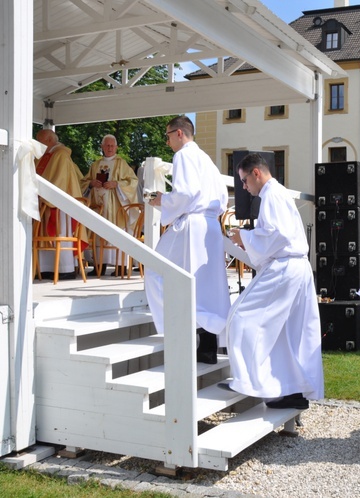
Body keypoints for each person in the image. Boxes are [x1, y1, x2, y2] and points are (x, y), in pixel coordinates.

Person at [222, 153, 323, 409]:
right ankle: (291, 390)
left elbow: (275, 235)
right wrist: (247, 238)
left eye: (244, 181)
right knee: (288, 333)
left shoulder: (272, 195)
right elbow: (276, 235)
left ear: (256, 173)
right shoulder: (276, 194)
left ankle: (249, 380)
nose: (244, 187)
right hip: (295, 266)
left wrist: (243, 237)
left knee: (241, 317)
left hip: (286, 267)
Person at [145, 116, 230, 364]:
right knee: (207, 287)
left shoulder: (183, 155)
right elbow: (223, 197)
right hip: (212, 226)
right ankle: (207, 346)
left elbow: (186, 193)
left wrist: (163, 200)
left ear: (180, 133)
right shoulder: (207, 160)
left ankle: (177, 330)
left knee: (155, 270)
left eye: (168, 135)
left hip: (192, 225)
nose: (168, 141)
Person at [82, 135, 139, 276]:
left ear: (116, 147)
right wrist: (91, 183)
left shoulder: (121, 164)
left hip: (116, 207)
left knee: (117, 233)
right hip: (98, 206)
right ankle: (98, 265)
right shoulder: (95, 165)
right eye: (107, 145)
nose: (109, 148)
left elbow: (133, 181)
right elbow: (83, 181)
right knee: (98, 233)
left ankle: (120, 267)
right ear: (102, 147)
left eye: (112, 146)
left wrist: (116, 184)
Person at [34, 128, 86, 280]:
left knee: (60, 232)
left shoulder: (61, 155)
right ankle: (45, 268)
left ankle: (65, 269)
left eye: (40, 141)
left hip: (60, 206)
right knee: (44, 234)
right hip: (43, 203)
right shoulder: (45, 156)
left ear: (49, 140)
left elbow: (59, 181)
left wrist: (44, 196)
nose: (38, 144)